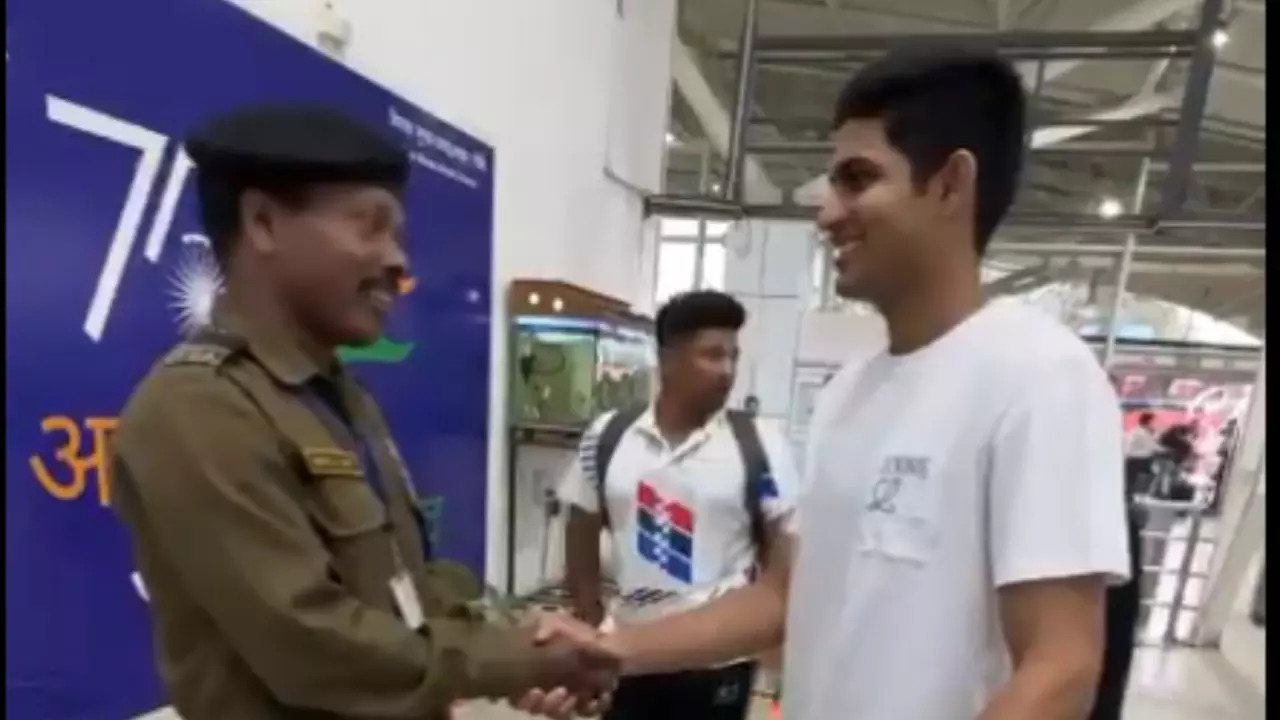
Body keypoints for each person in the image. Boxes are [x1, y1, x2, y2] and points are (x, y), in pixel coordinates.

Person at [522, 46, 1131, 720]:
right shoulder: (851, 393)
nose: (826, 212)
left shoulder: (1039, 377)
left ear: (951, 184)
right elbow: (788, 598)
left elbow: (1062, 667)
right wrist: (616, 650)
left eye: (858, 179)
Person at [109, 105, 615, 720]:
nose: (399, 263)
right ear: (263, 222)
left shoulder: (338, 398)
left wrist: (516, 631)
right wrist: (523, 660)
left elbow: (405, 590)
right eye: (371, 228)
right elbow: (311, 646)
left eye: (396, 235)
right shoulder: (197, 410)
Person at [558, 290, 800, 720]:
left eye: (733, 356)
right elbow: (580, 527)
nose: (727, 371)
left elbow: (780, 556)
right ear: (667, 359)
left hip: (718, 663)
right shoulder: (608, 436)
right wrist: (589, 619)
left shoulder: (760, 443)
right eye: (711, 355)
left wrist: (775, 654)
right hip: (628, 652)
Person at [1123, 411, 1160, 495]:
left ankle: (1133, 497)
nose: (1156, 424)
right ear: (1149, 422)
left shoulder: (1137, 430)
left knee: (1130, 482)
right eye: (1154, 422)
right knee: (1154, 473)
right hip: (1140, 460)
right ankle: (1141, 494)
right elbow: (1153, 447)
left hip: (1133, 459)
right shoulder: (1142, 433)